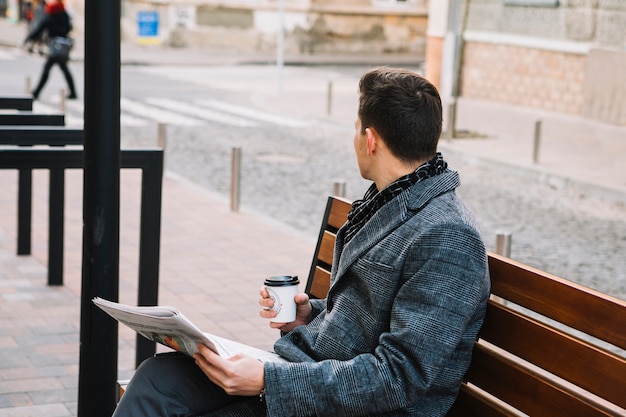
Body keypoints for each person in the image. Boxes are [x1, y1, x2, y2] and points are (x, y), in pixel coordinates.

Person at [113, 67, 490, 417]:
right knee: (157, 378)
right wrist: (312, 314)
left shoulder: (447, 236)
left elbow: (398, 377)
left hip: (356, 404)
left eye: (356, 129)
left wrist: (267, 380)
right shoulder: (395, 196)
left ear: (370, 140)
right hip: (312, 372)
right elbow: (370, 308)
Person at [23, 0, 77, 100]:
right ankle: (73, 92)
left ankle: (36, 92)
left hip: (55, 46)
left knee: (47, 69)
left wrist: (28, 39)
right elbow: (69, 27)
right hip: (63, 45)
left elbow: (39, 29)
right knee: (64, 69)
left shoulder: (50, 16)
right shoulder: (64, 14)